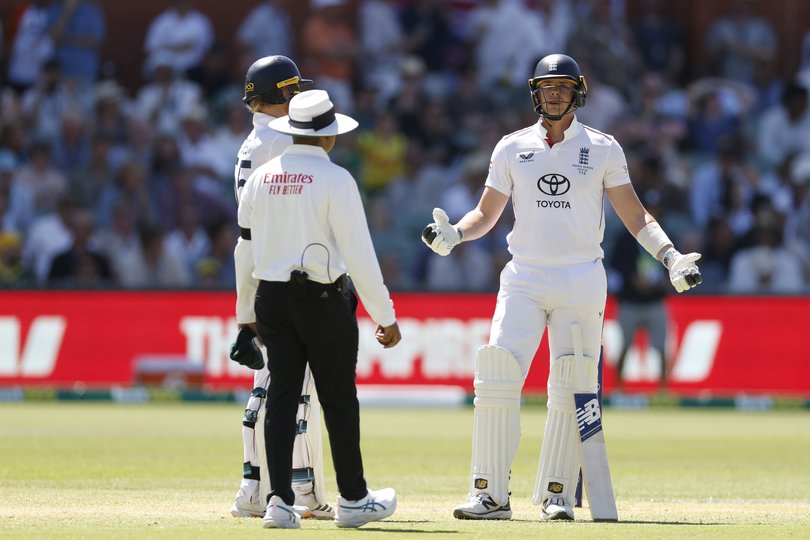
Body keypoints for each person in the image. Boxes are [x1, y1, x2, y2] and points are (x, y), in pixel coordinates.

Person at [421, 53, 702, 521]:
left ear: (578, 93)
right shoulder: (511, 147)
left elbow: (635, 215)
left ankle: (556, 494)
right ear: (535, 92)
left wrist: (669, 256)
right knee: (496, 374)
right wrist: (455, 233)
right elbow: (486, 214)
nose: (554, 94)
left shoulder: (604, 147)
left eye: (563, 87)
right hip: (524, 275)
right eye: (547, 86)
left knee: (572, 383)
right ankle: (489, 494)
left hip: (581, 276)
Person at [235, 88, 401, 529]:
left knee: (281, 396)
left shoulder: (261, 177)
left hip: (271, 299)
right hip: (323, 299)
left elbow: (244, 251)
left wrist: (244, 312)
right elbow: (361, 256)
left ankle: (278, 502)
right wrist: (385, 315)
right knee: (338, 400)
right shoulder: (337, 180)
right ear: (328, 137)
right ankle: (353, 499)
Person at [229, 55, 334, 521]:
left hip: (261, 272)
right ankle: (299, 492)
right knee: (295, 394)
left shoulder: (253, 141)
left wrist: (243, 304)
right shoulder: (284, 143)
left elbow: (245, 236)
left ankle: (253, 488)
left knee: (266, 389)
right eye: (294, 92)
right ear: (285, 94)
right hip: (294, 280)